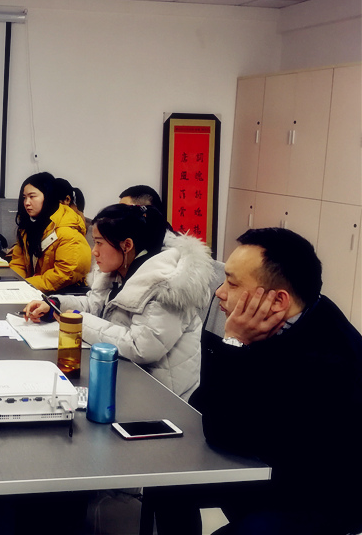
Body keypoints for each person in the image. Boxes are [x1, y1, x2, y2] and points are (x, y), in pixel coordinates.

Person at [153, 228, 362, 535]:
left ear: (277, 300)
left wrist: (234, 343)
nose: (219, 292)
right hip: (272, 468)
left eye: (232, 283)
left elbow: (225, 432)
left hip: (320, 496)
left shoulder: (330, 359)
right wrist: (235, 347)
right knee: (168, 484)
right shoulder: (280, 318)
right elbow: (204, 405)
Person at [24, 203, 213, 399]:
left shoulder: (166, 286)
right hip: (126, 379)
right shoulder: (120, 270)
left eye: (99, 243)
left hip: (160, 395)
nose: (94, 251)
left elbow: (140, 347)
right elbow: (94, 305)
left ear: (127, 245)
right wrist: (56, 305)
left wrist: (79, 322)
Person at [8, 172, 91, 293]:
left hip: (61, 295)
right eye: (24, 197)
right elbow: (18, 263)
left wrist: (25, 285)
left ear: (48, 196)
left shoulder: (68, 231)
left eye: (32, 196)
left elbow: (65, 273)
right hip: (35, 290)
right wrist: (13, 284)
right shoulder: (30, 226)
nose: (26, 202)